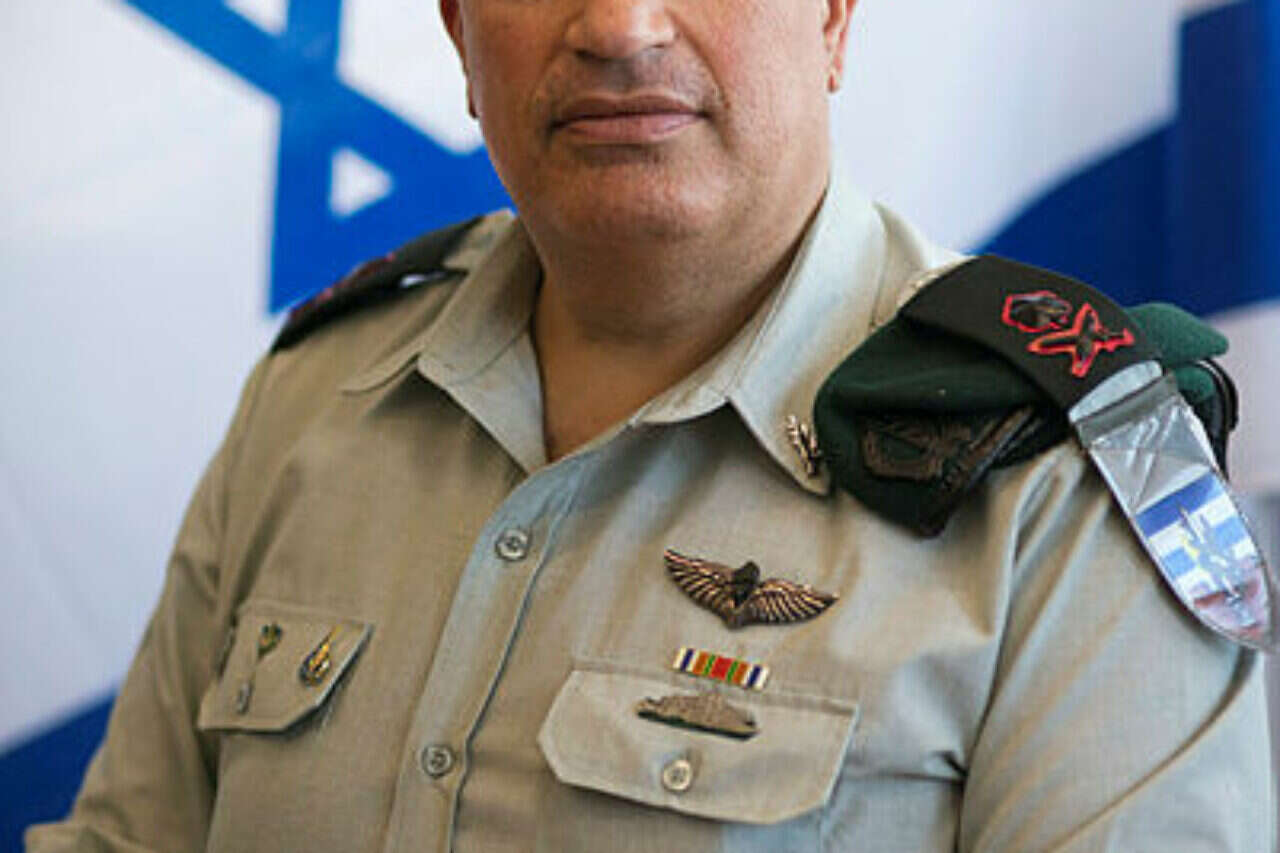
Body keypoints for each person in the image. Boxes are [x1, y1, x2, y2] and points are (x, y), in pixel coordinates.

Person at [27, 0, 1275, 848]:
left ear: (832, 16)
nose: (619, 27)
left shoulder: (1058, 478)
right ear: (458, 30)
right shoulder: (317, 396)